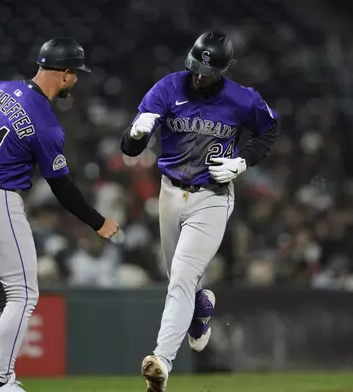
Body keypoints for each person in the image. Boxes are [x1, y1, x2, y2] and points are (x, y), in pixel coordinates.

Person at [0, 38, 120, 392]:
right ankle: (1, 382)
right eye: (76, 75)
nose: (76, 81)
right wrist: (98, 222)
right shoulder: (45, 123)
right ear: (66, 74)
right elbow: (62, 187)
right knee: (23, 295)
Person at [120, 31, 279, 392]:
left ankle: (161, 362)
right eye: (196, 68)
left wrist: (243, 161)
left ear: (225, 69)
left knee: (180, 277)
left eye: (208, 71)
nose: (200, 76)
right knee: (179, 278)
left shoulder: (242, 99)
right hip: (170, 192)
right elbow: (129, 149)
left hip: (212, 196)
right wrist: (135, 134)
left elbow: (269, 130)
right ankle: (200, 310)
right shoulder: (167, 87)